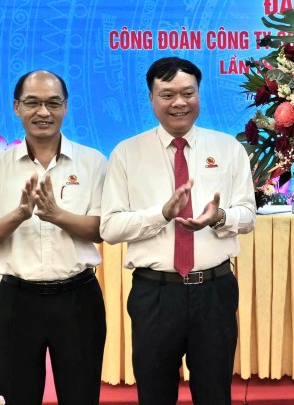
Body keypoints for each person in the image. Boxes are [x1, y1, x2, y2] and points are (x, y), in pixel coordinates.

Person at [100, 56, 256, 405]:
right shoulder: (126, 153)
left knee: (215, 393)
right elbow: (109, 228)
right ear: (151, 99)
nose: (179, 102)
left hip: (214, 290)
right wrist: (161, 214)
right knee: (155, 394)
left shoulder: (228, 149)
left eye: (188, 92)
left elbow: (248, 216)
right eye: (167, 94)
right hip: (154, 294)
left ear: (199, 94)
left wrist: (219, 218)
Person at [0, 70, 107, 405]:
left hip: (78, 299)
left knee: (80, 397)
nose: (42, 112)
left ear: (65, 107)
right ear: (16, 107)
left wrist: (57, 216)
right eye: (32, 103)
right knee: (17, 396)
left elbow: (103, 230)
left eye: (52, 103)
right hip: (18, 302)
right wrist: (19, 214)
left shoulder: (93, 162)